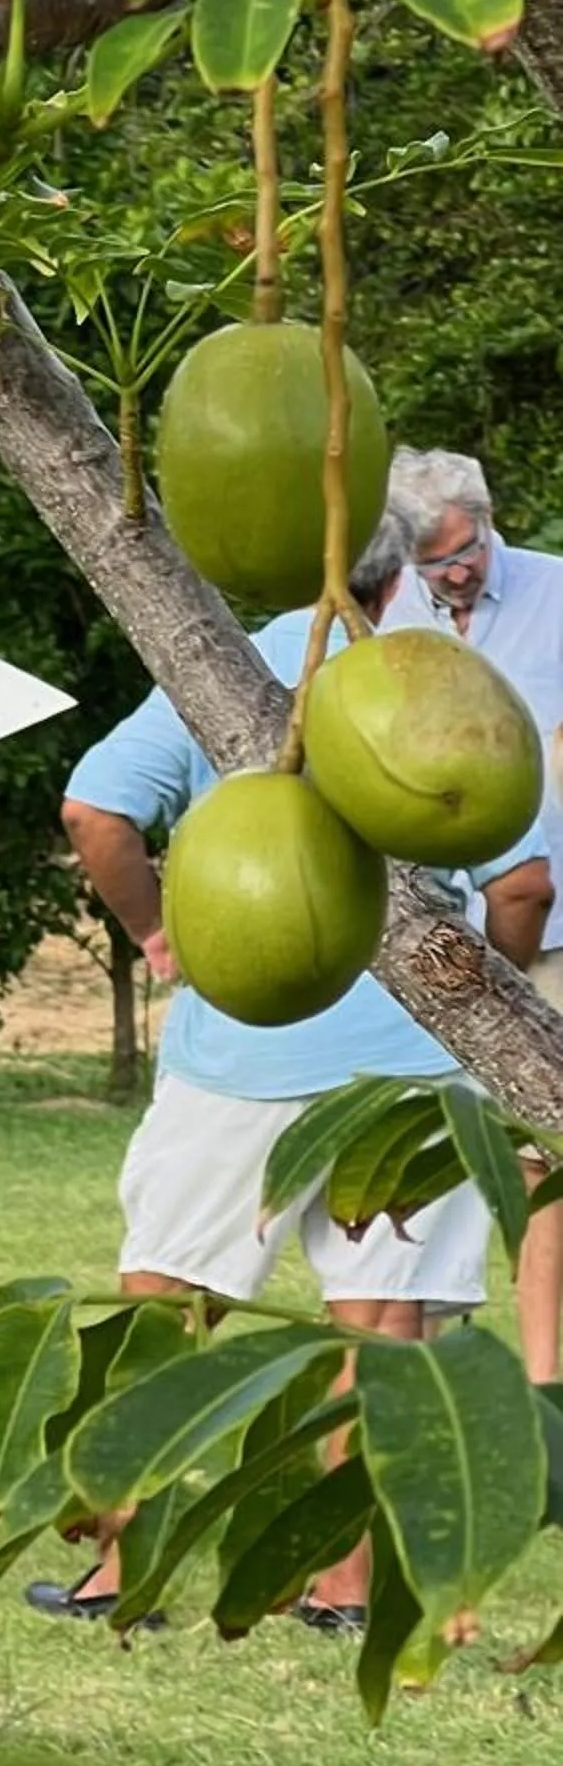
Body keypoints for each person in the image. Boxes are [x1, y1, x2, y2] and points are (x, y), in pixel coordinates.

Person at [42, 516, 553, 1631]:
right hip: (415, 1079)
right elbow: (523, 884)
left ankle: (119, 1573)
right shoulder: (434, 687)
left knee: (166, 1306)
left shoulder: (222, 673)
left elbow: (94, 808)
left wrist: (159, 933)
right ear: (398, 576)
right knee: (382, 1331)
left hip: (241, 1056)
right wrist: (483, 1000)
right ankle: (343, 1588)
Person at [385, 447, 563, 1382]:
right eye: (435, 561)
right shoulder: (384, 621)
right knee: (441, 1159)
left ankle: (542, 1378)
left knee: (546, 1157)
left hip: (553, 925)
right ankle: (443, 1365)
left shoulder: (556, 594)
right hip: (433, 941)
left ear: (488, 520)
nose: (456, 573)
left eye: (467, 550)